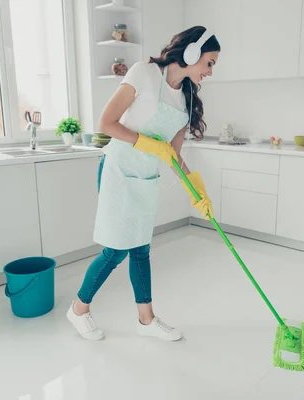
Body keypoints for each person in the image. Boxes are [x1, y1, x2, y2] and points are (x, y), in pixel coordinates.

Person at [67, 26, 220, 342]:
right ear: (192, 53)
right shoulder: (144, 73)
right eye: (210, 62)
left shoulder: (187, 100)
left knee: (140, 250)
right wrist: (150, 144)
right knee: (115, 250)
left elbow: (174, 155)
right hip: (120, 171)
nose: (210, 71)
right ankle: (79, 309)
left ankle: (146, 320)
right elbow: (106, 124)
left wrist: (197, 191)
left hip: (147, 178)